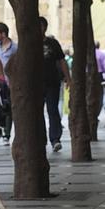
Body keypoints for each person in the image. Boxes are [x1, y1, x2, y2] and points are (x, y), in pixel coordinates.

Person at [41, 17, 71, 152]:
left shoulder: (53, 43)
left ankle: (55, 139)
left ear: (45, 28)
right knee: (36, 112)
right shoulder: (28, 43)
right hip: (35, 85)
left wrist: (68, 78)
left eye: (41, 26)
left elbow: (62, 61)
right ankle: (40, 139)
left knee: (53, 110)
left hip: (52, 82)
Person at [0, 22, 16, 145]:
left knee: (8, 107)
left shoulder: (14, 47)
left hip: (10, 82)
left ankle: (7, 133)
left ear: (3, 33)